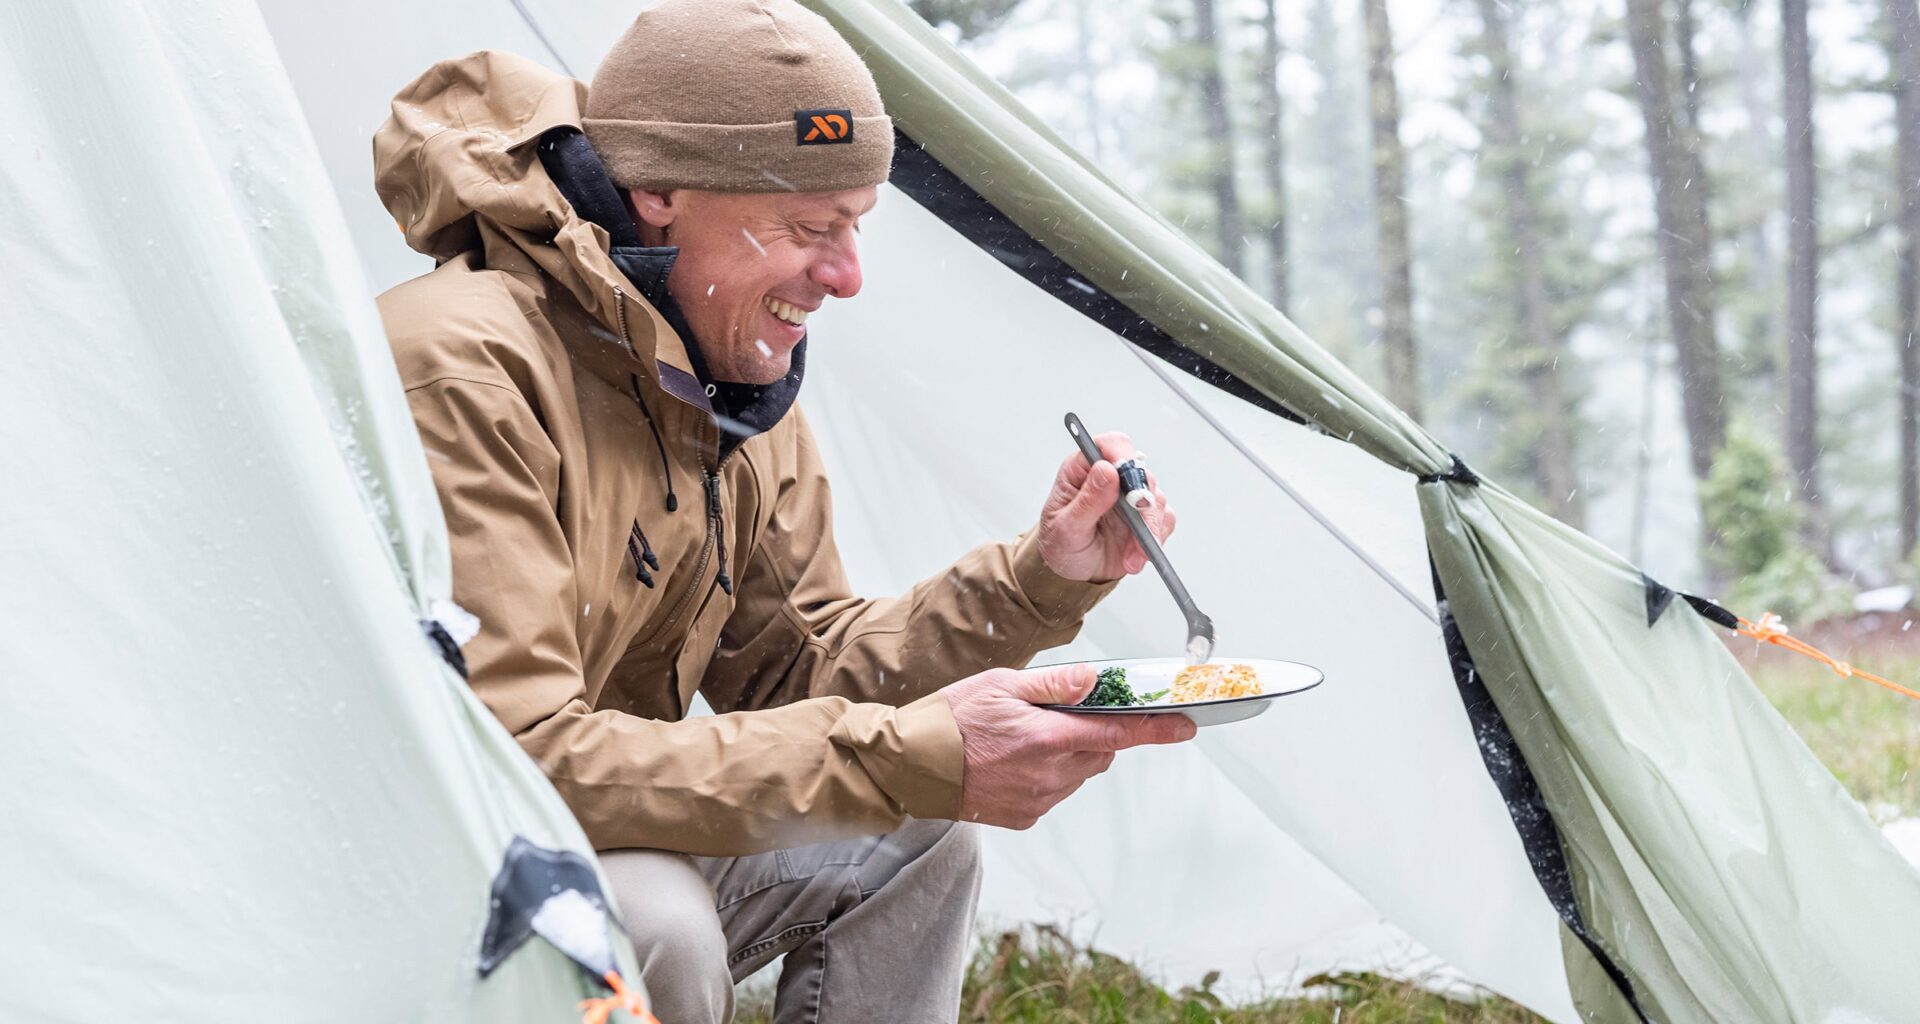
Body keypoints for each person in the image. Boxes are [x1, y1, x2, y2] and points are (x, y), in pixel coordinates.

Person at [373, 1, 1195, 1020]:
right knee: (655, 916)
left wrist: (1039, 579)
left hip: (585, 824)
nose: (847, 278)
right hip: (415, 857)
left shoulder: (723, 379)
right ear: (660, 191)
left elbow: (798, 673)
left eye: (855, 227)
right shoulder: (465, 368)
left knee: (915, 833)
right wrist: (916, 752)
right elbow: (521, 751)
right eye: (815, 228)